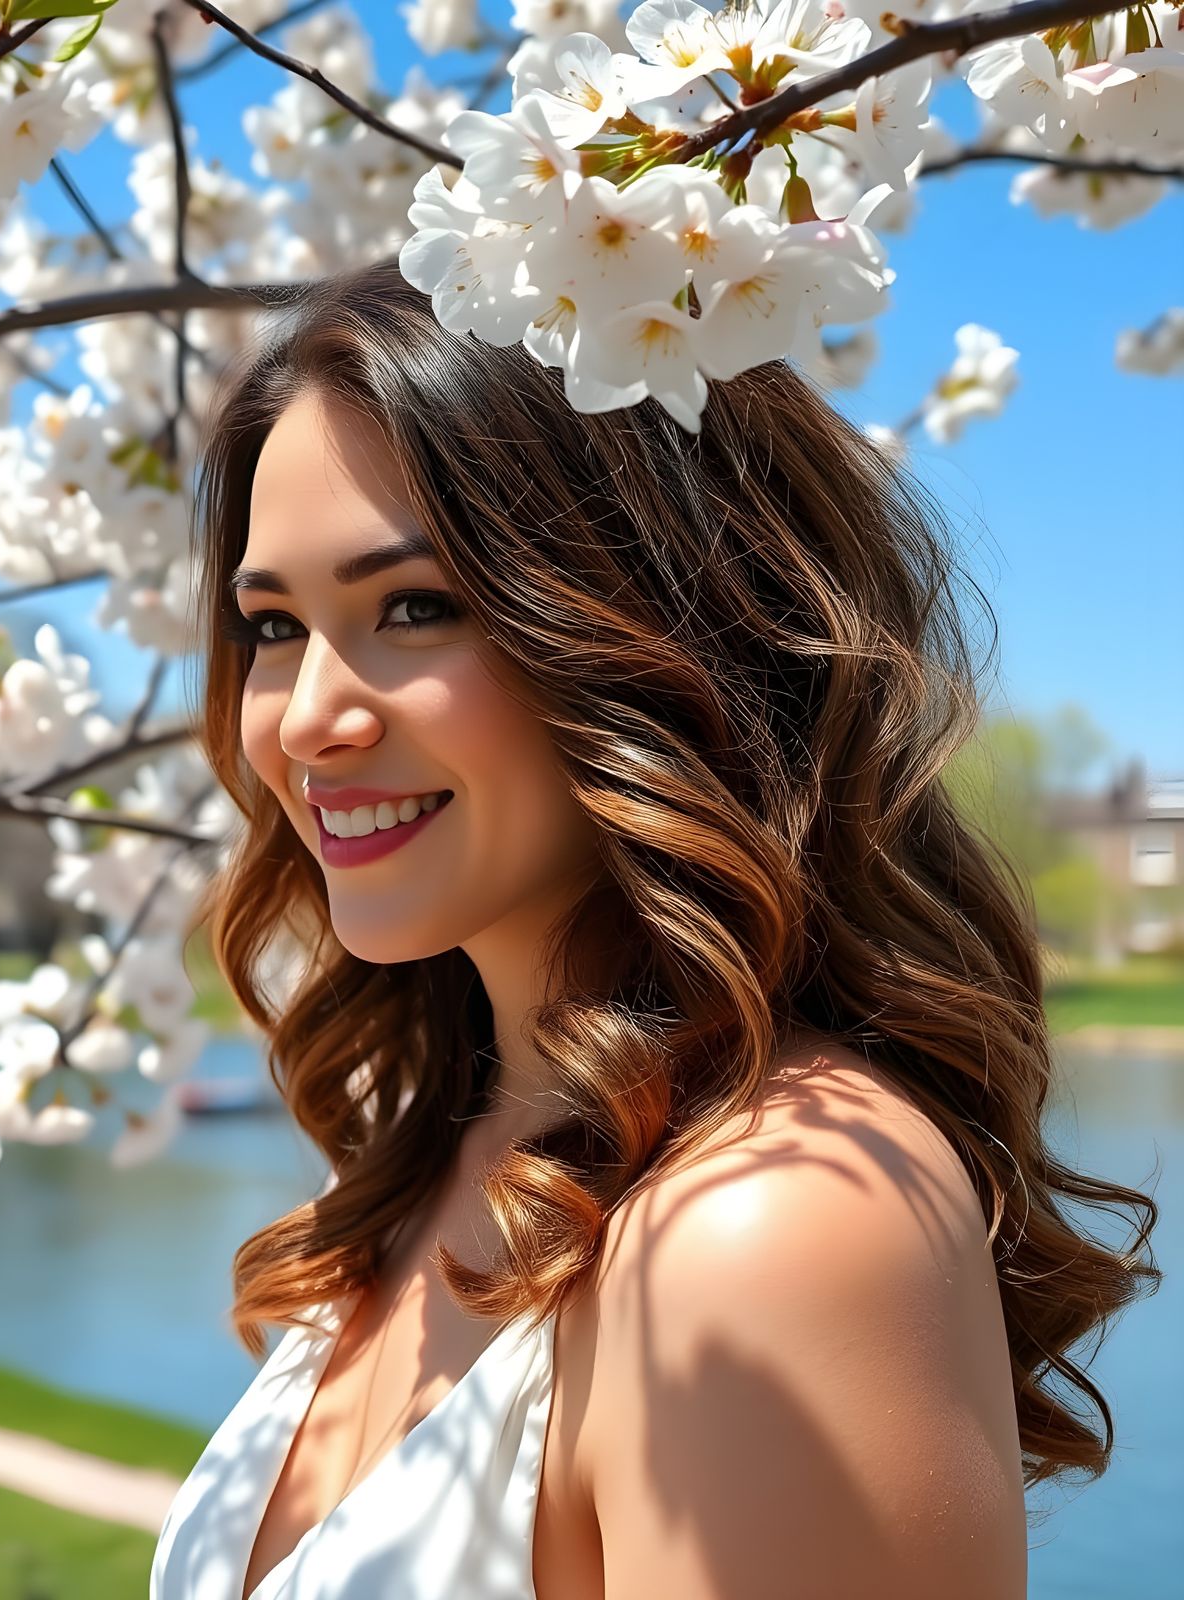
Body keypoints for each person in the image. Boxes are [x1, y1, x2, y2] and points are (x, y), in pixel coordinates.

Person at [149, 260, 1160, 1600]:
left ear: (651, 624)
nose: (307, 719)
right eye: (274, 625)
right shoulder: (440, 1155)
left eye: (414, 607)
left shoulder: (774, 1225)